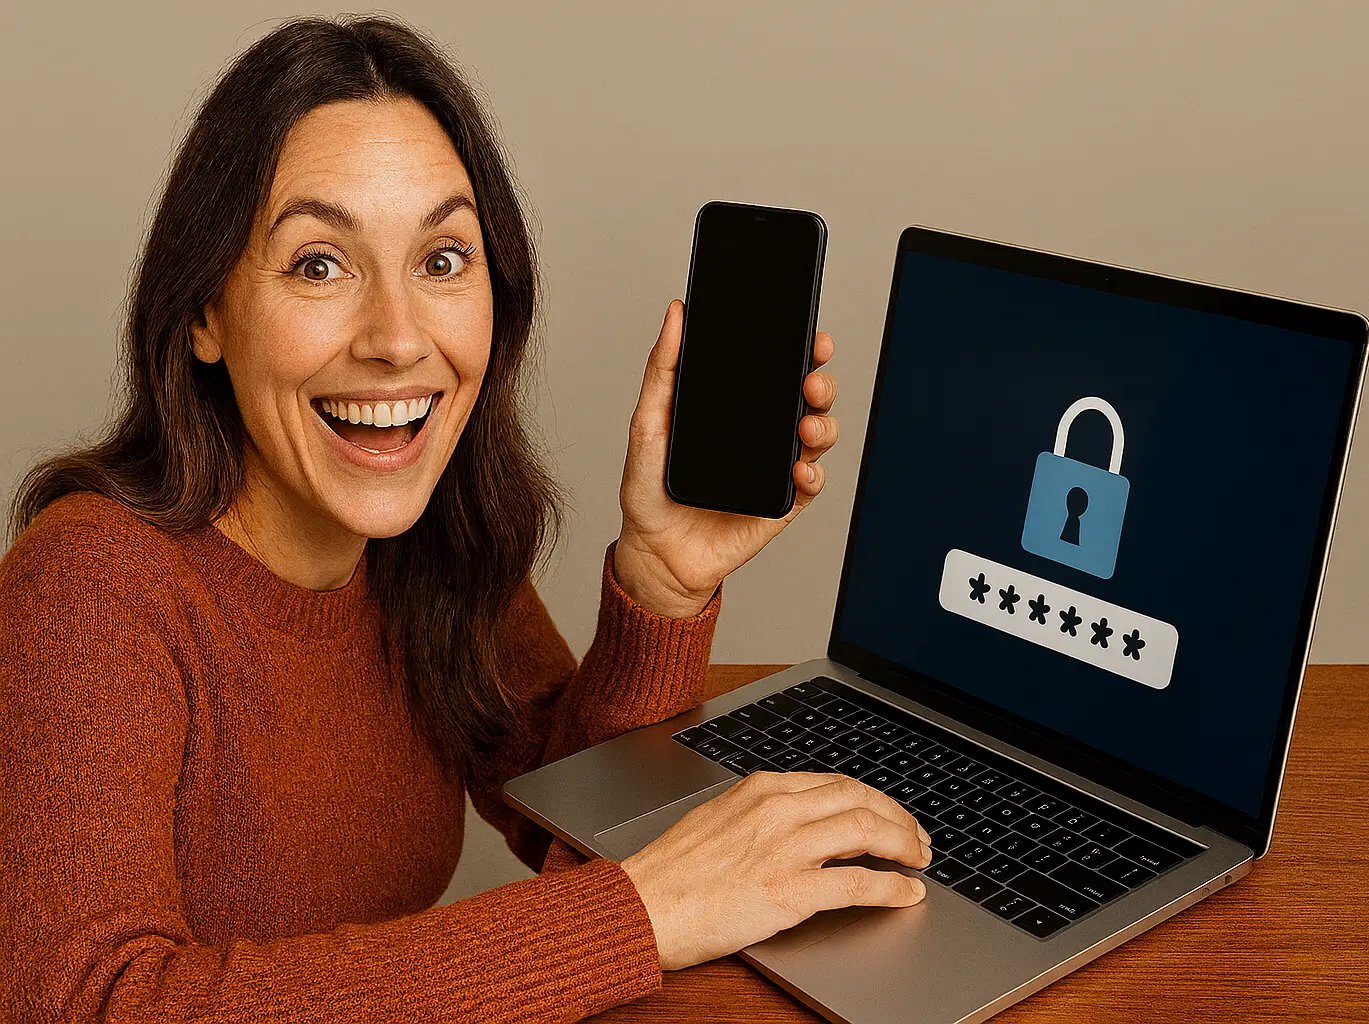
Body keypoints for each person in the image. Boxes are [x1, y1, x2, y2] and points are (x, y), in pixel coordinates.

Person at [0, 14, 933, 1024]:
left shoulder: (426, 540)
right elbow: (88, 1002)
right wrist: (635, 916)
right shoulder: (87, 591)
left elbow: (573, 822)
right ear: (204, 315)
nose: (399, 338)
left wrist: (663, 583)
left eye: (442, 259)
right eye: (320, 263)